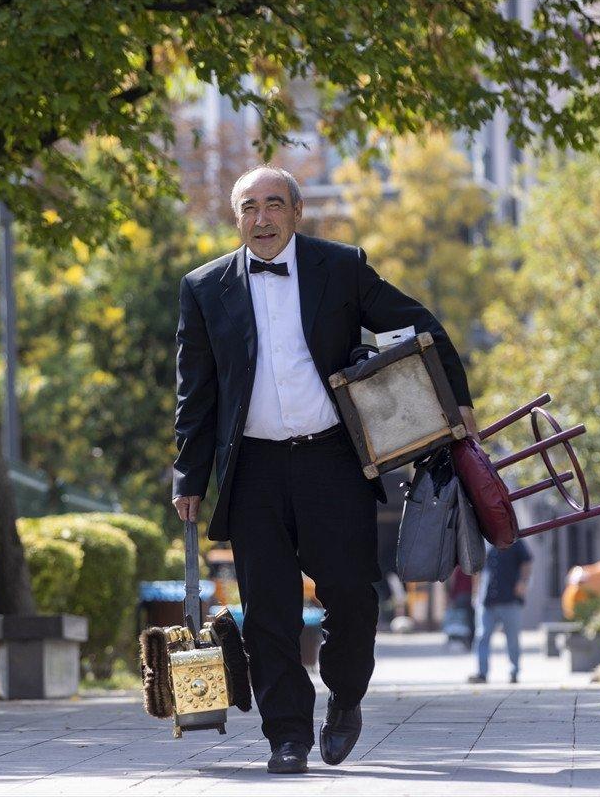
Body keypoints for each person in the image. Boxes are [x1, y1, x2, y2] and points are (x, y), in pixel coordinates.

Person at [172, 165, 476, 774]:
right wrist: (188, 477)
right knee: (268, 611)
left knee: (352, 596)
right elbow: (196, 394)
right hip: (252, 469)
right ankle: (287, 735)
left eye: (274, 205)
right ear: (238, 218)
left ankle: (346, 699)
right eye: (250, 207)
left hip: (333, 460)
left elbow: (417, 322)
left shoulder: (340, 267)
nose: (262, 218)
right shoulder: (204, 288)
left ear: (296, 211)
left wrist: (456, 399)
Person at [468, 538, 532, 684]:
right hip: (487, 599)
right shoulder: (482, 543)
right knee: (482, 636)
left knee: (512, 638)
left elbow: (527, 561)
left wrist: (523, 583)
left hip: (510, 598)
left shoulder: (515, 540)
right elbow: (476, 569)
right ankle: (481, 672)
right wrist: (475, 592)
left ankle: (514, 671)